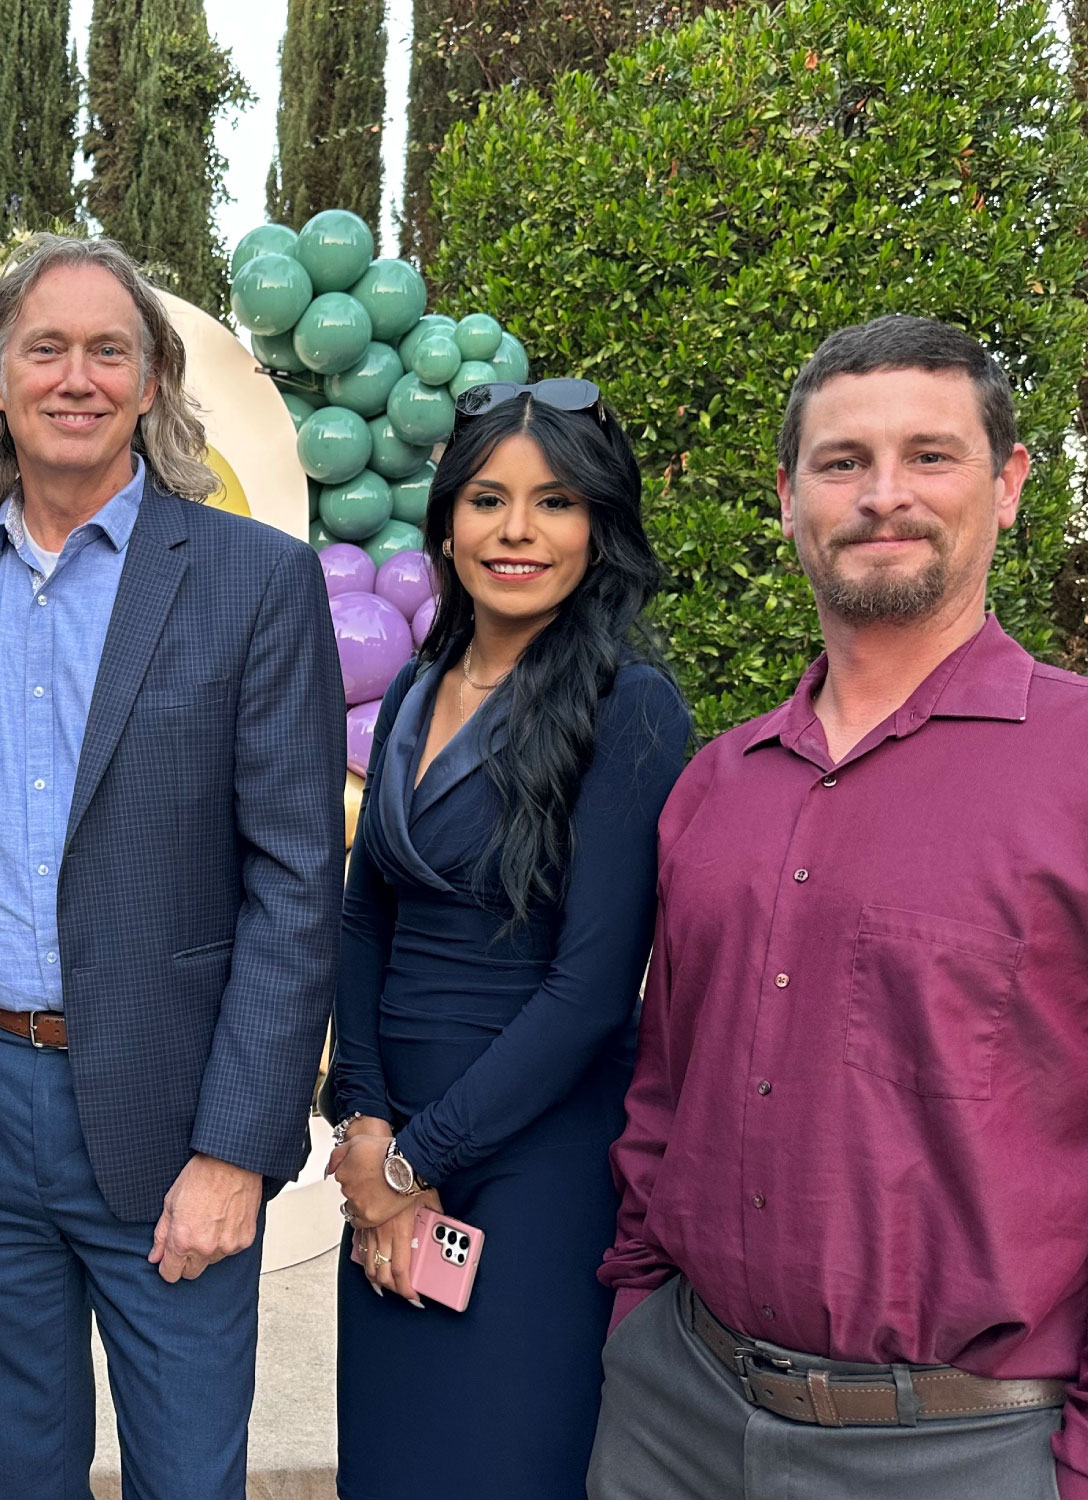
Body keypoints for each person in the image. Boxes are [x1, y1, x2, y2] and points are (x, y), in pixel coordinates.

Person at [590, 315, 1088, 1500]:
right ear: (786, 499)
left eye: (931, 455)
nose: (884, 495)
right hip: (676, 1416)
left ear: (1010, 483)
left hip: (970, 1450)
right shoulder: (716, 787)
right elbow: (667, 1086)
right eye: (841, 462)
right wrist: (634, 1316)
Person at [0, 234, 344, 1500]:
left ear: (151, 383)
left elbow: (298, 882)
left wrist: (238, 1149)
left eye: (109, 350)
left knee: (188, 1482)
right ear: (2, 377)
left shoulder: (254, 581)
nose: (76, 376)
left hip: (170, 1122)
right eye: (46, 347)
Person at [328, 378, 690, 1500]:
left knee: (503, 1464)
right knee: (391, 1469)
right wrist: (363, 1121)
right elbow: (364, 911)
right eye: (488, 499)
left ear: (600, 527)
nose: (518, 531)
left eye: (557, 502)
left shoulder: (632, 705)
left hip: (532, 1159)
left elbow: (591, 992)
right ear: (446, 521)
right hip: (389, 1153)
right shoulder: (414, 690)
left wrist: (411, 1163)